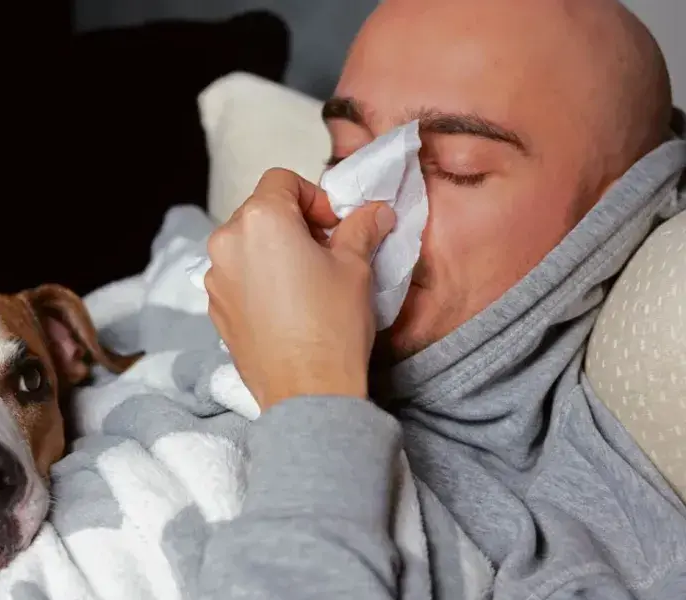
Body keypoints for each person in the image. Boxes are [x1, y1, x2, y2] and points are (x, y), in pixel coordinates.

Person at [200, 0, 685, 598]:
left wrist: (311, 390)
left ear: (620, 211)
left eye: (457, 169)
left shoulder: (575, 565)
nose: (365, 206)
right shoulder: (194, 281)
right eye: (347, 154)